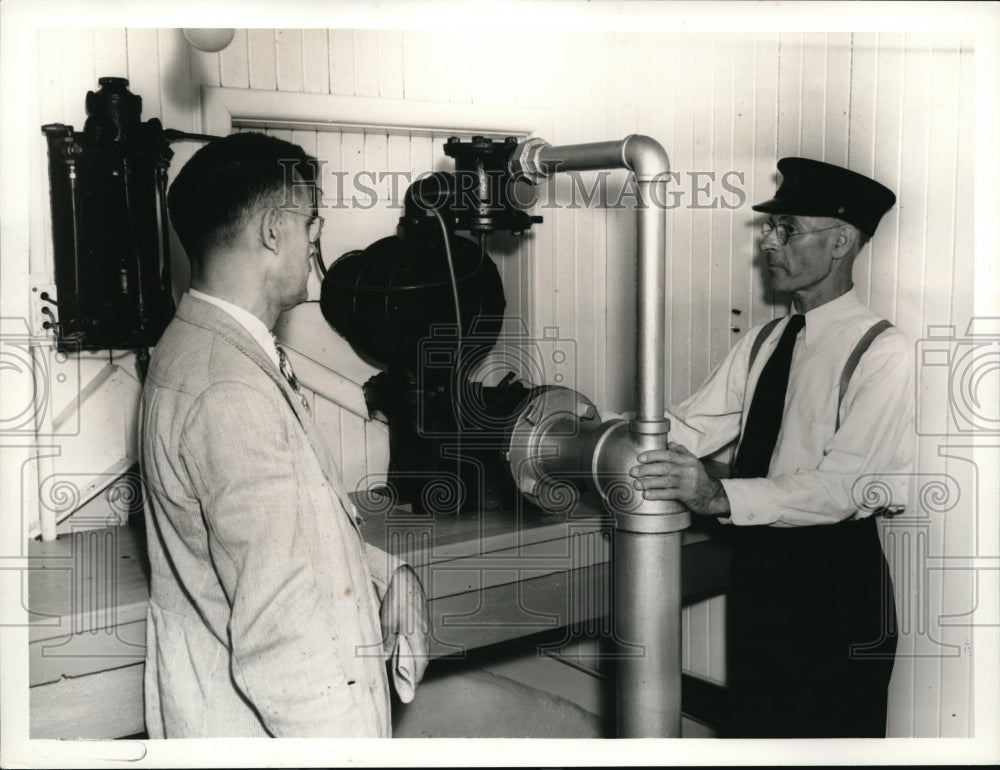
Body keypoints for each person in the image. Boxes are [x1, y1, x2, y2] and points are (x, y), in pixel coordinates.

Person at [139, 131, 428, 738]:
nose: (317, 235)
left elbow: (289, 537)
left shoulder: (206, 348)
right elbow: (284, 637)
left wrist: (388, 574)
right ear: (274, 229)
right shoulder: (229, 392)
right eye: (310, 220)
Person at [630, 157, 913, 738]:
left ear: (839, 242)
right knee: (760, 731)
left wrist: (715, 495)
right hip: (762, 578)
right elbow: (689, 425)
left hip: (835, 586)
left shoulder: (885, 353)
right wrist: (604, 433)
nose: (768, 243)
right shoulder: (764, 340)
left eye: (786, 230)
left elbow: (842, 490)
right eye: (769, 228)